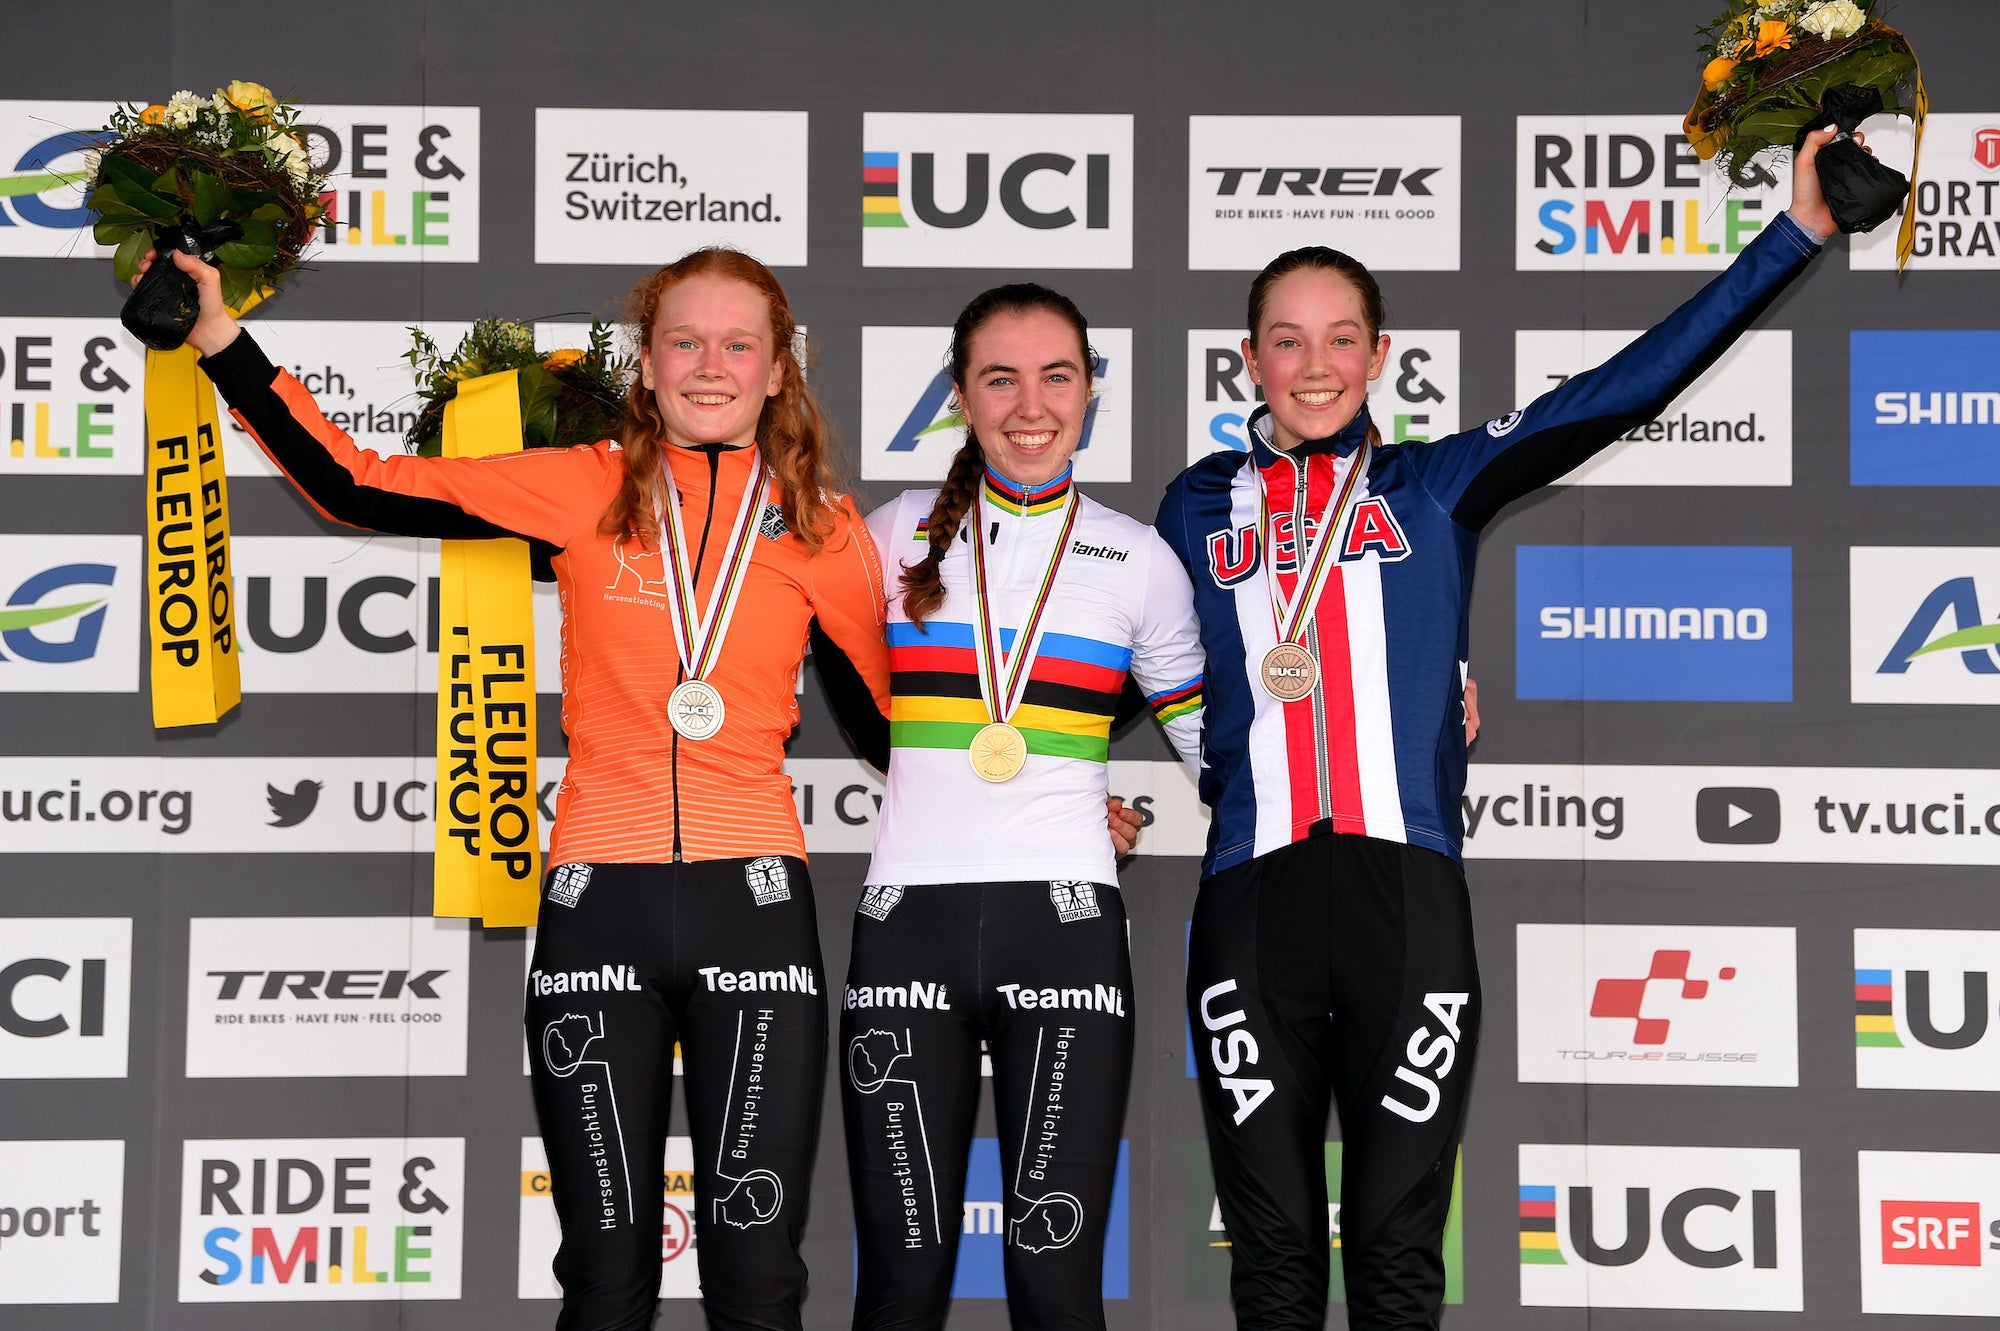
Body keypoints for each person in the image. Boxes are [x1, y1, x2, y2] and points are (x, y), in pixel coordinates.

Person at [1156, 128, 1853, 1330]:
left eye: (1339, 339)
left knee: (1395, 1254)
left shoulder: (1434, 483)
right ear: (1247, 358)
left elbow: (1622, 388)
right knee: (1270, 1261)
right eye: (1286, 340)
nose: (1313, 367)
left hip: (1407, 897)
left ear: (1379, 355)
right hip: (1249, 903)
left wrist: (1793, 234)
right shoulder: (1190, 502)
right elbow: (1111, 657)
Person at [147, 243, 893, 1331]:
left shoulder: (823, 527)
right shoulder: (582, 482)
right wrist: (221, 338)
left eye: (739, 345)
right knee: (603, 1271)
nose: (710, 365)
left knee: (759, 1272)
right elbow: (356, 484)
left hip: (755, 904)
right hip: (600, 903)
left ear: (779, 370)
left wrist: (1057, 794)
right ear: (646, 363)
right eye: (684, 341)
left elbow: (891, 732)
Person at [841, 284, 1205, 1330]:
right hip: (907, 923)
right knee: (901, 1284)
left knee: (1055, 1285)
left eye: (1056, 376)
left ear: (1090, 391)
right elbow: (777, 663)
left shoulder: (1139, 558)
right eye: (999, 379)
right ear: (959, 396)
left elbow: (1222, 756)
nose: (1030, 406)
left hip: (1065, 927)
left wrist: (1409, 729)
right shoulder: (889, 534)